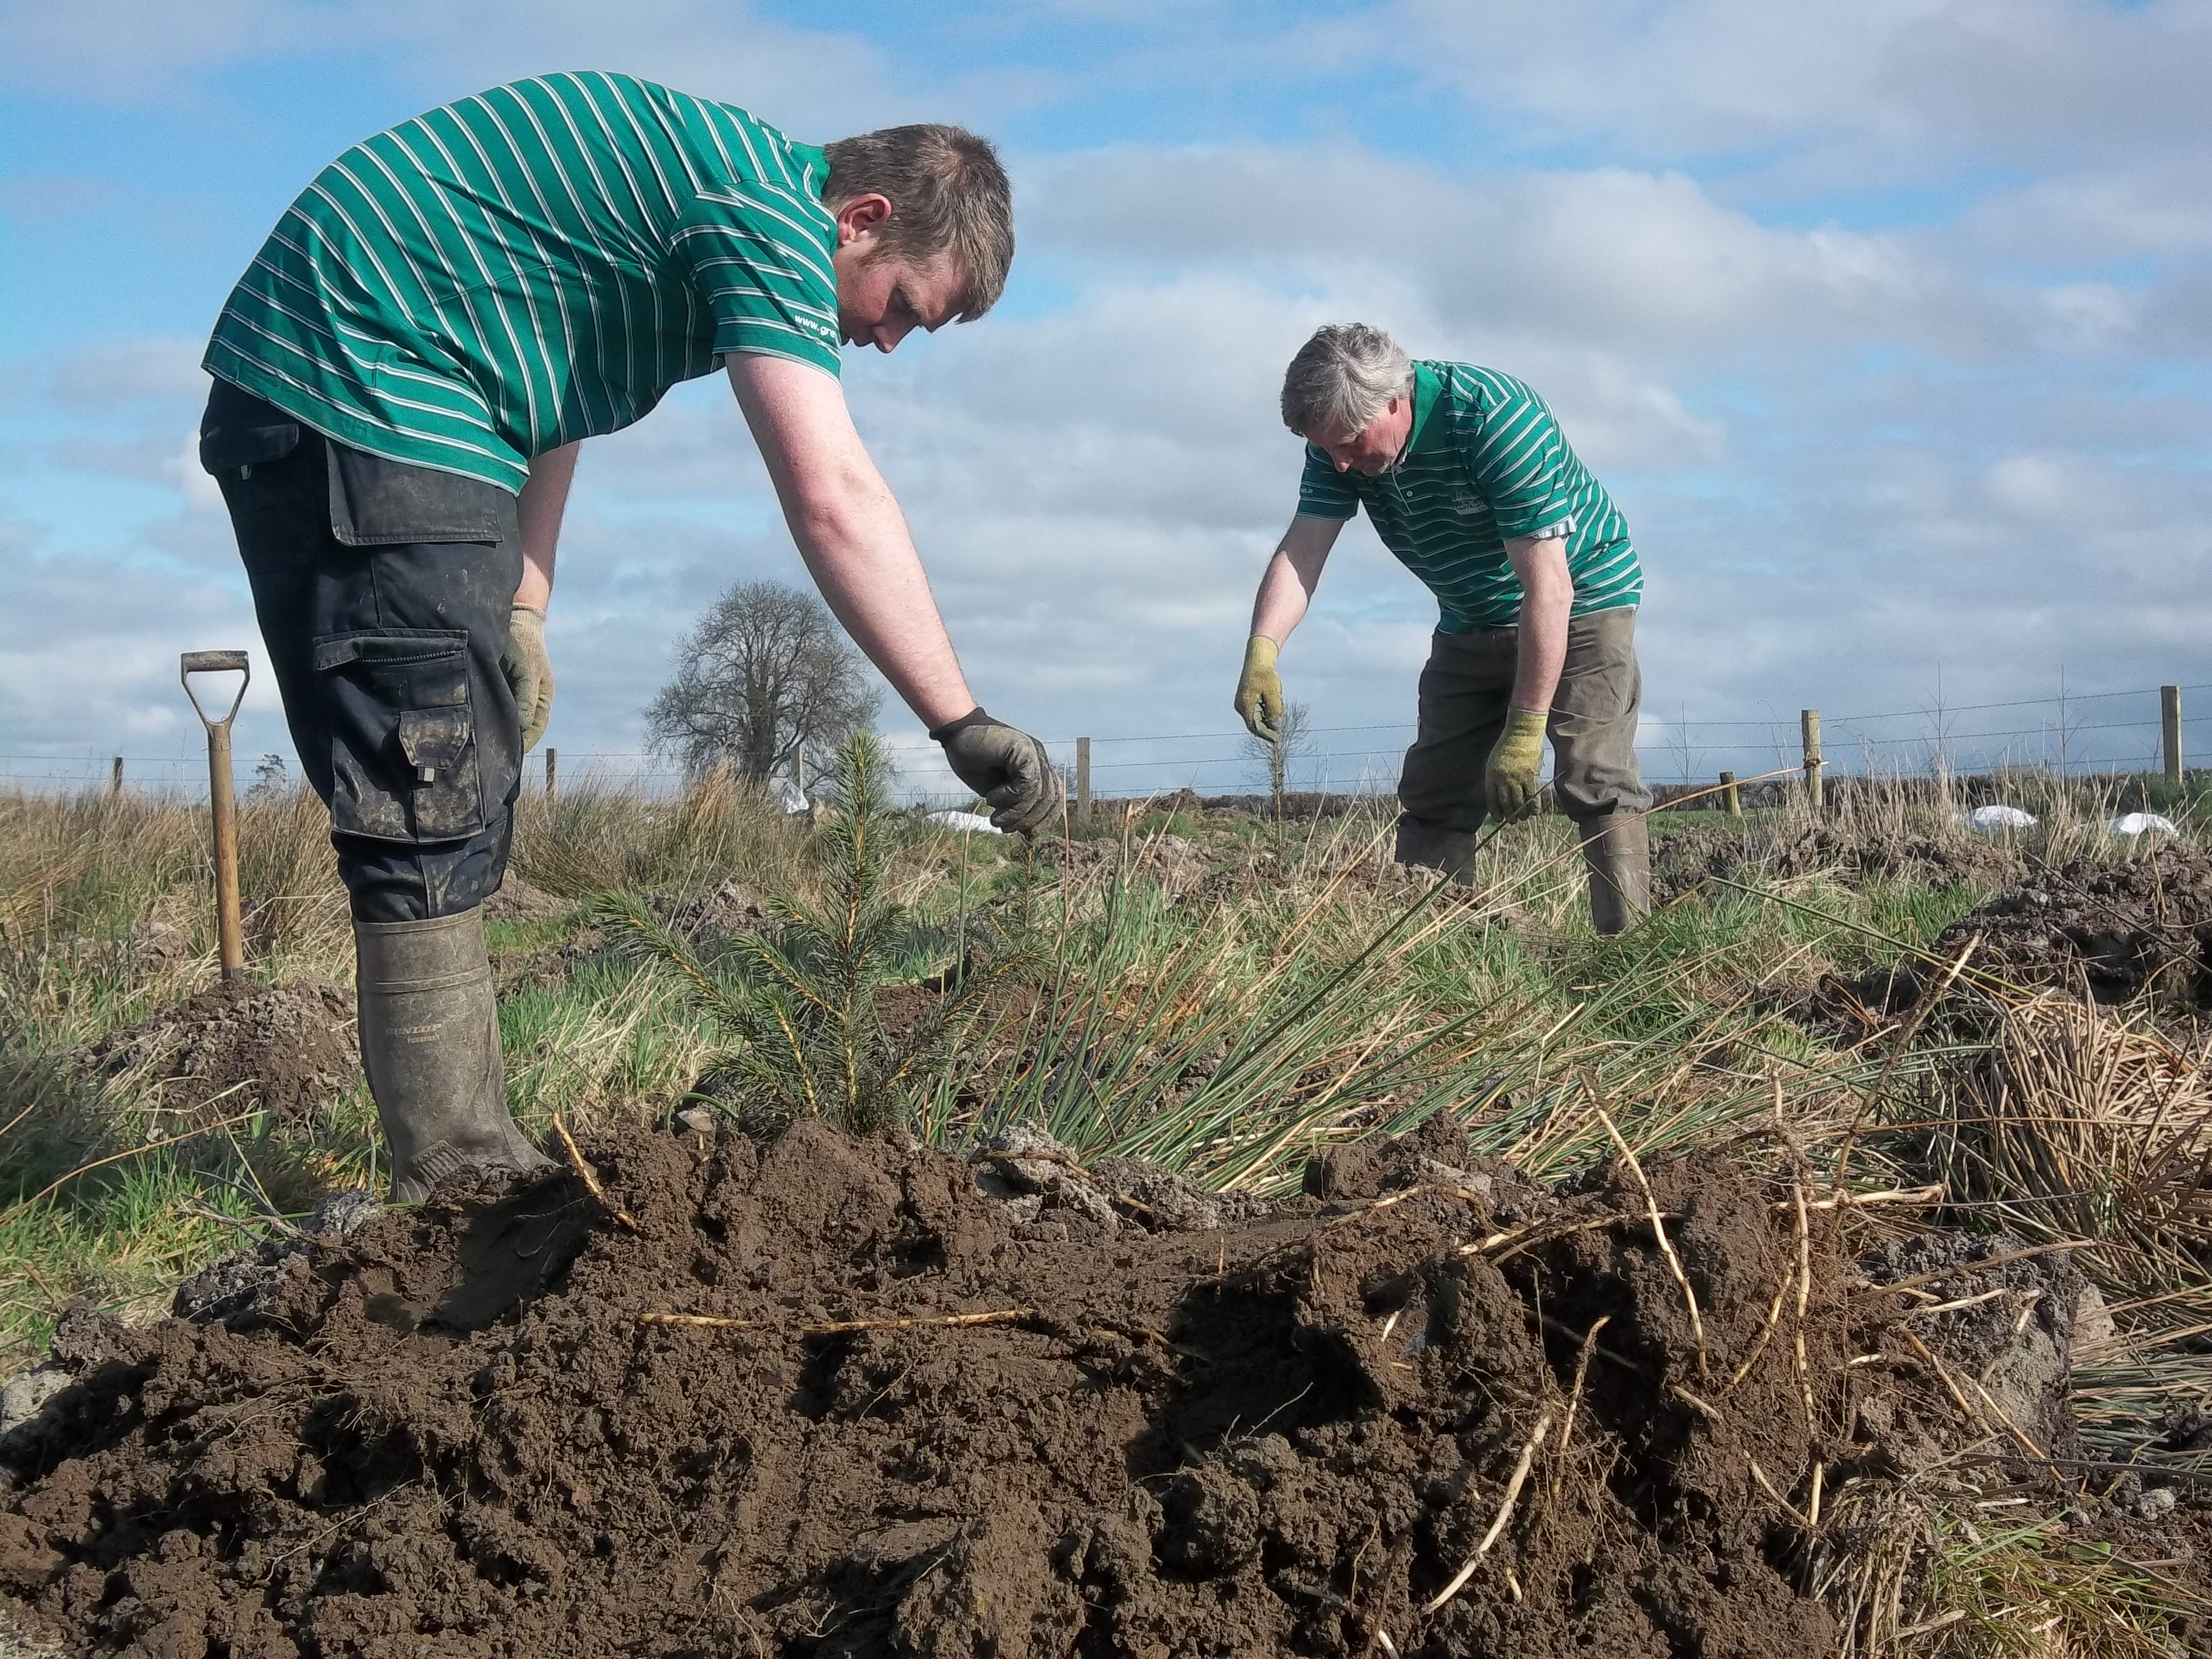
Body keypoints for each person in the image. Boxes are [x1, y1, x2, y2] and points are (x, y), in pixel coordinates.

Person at [196, 71, 1062, 1201]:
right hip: (362, 368)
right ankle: (460, 1188)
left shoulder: (709, 205)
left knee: (456, 753)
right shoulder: (764, 215)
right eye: (903, 305)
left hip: (401, 377)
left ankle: (463, 1167)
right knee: (427, 772)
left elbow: (555, 399)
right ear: (861, 221)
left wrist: (524, 607)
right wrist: (957, 719)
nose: (888, 342)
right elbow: (833, 496)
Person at [1233, 323, 1651, 933]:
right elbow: (1304, 549)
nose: (1339, 462)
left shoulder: (1495, 419)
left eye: (1349, 442)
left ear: (1396, 402)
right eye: (1325, 449)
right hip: (1469, 613)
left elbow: (1548, 588)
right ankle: (1435, 952)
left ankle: (1627, 951)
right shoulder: (1335, 443)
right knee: (1435, 791)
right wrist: (1262, 651)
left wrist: (1526, 728)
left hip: (1581, 598)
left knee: (1593, 773)